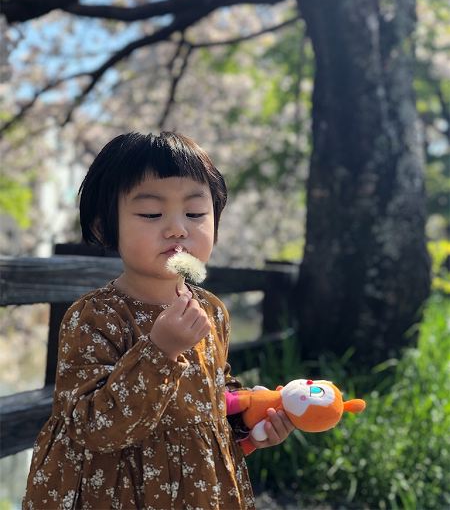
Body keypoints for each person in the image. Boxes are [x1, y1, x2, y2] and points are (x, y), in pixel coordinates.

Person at [23, 132, 294, 510]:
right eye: (151, 213)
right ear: (104, 227)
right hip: (116, 491)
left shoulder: (211, 310)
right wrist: (160, 350)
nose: (177, 228)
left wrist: (250, 420)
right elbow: (88, 427)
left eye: (195, 213)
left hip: (196, 489)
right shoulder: (95, 316)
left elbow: (211, 397)